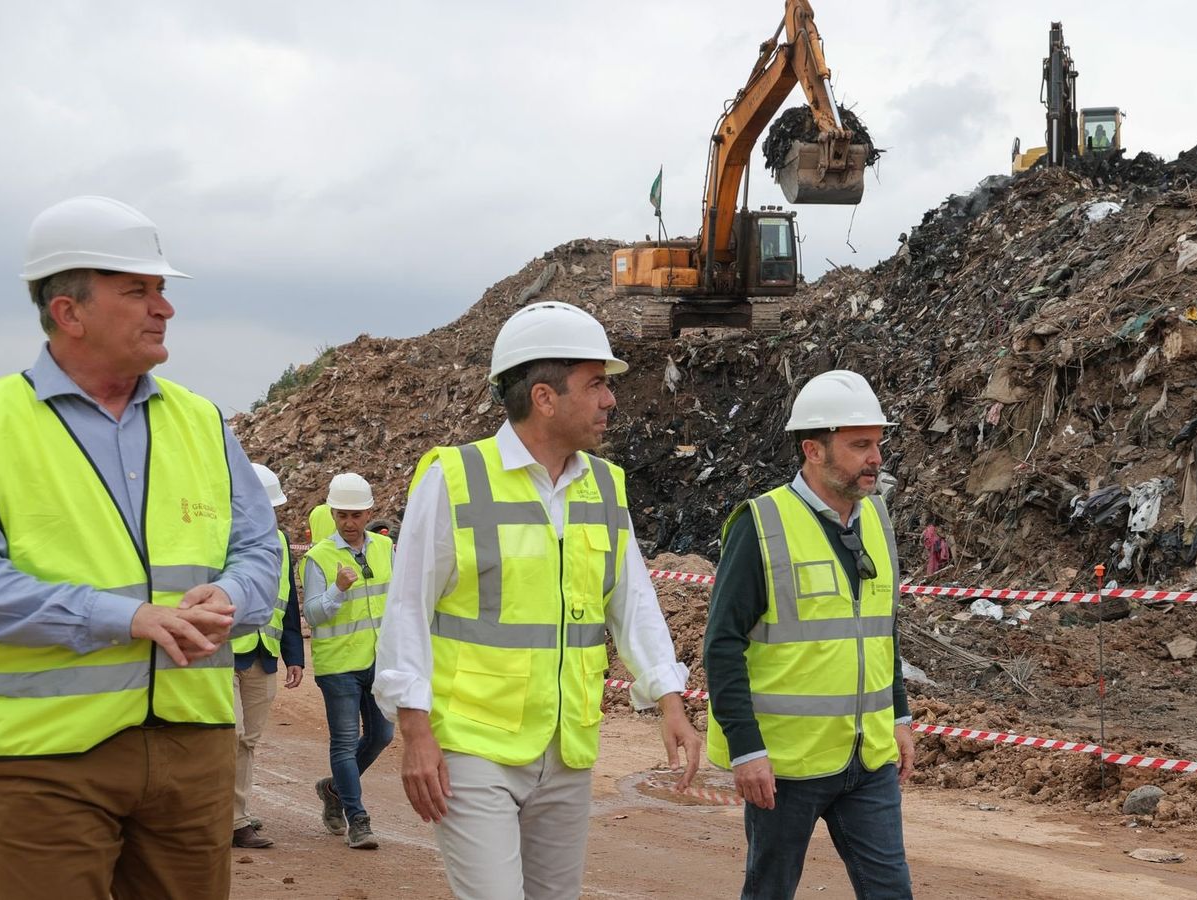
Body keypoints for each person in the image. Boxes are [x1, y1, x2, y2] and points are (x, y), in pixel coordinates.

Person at [0, 195, 281, 899]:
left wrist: (235, 594)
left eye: (161, 290)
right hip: (46, 760)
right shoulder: (2, 425)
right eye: (139, 291)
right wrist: (121, 616)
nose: (164, 308)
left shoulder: (201, 421)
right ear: (70, 312)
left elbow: (260, 550)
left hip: (195, 748)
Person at [375, 301, 701, 900]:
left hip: (567, 744)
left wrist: (670, 698)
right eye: (597, 384)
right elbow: (406, 612)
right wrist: (415, 733)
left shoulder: (603, 485)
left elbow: (631, 601)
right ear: (545, 397)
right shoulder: (454, 478)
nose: (610, 400)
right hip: (473, 747)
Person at [704, 369, 914, 900]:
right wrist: (746, 750)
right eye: (860, 445)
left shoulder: (877, 520)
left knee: (892, 891)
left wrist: (900, 715)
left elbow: (880, 630)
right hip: (785, 766)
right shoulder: (763, 524)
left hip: (867, 758)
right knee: (770, 890)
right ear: (813, 450)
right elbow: (722, 643)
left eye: (879, 443)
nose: (876, 458)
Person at [301, 472, 394, 850]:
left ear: (369, 511)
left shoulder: (385, 549)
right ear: (333, 513)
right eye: (342, 515)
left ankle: (334, 790)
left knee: (382, 735)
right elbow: (313, 614)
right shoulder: (318, 557)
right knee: (343, 742)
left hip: (379, 660)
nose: (349, 523)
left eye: (356, 515)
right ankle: (358, 819)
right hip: (338, 665)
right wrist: (337, 590)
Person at [230, 463, 306, 849]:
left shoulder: (278, 540)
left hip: (264, 652)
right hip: (222, 654)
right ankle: (213, 815)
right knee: (229, 735)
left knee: (248, 741)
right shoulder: (218, 536)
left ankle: (236, 819)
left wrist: (294, 654)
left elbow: (287, 600)